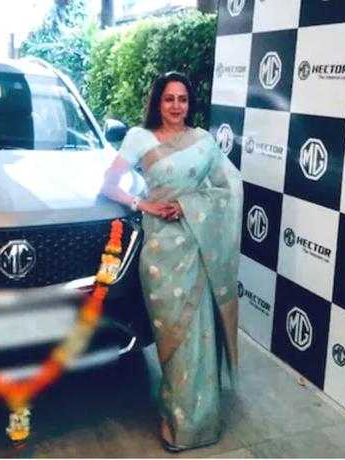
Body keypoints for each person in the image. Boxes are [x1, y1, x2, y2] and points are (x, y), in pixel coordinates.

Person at [100, 71, 243, 452]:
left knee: (201, 336)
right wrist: (143, 204)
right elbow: (109, 184)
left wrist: (189, 204)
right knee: (174, 340)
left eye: (182, 99)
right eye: (169, 99)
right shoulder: (139, 138)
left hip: (200, 247)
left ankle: (195, 424)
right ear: (157, 102)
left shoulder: (203, 141)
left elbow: (227, 188)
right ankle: (177, 414)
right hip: (161, 253)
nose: (176, 106)